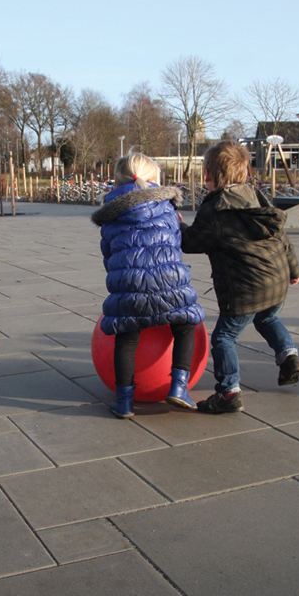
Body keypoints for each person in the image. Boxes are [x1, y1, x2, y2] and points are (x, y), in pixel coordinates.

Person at [180, 139, 299, 414]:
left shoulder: (215, 210)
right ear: (245, 174)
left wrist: (179, 227)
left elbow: (191, 242)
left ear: (209, 176)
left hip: (245, 288)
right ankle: (289, 356)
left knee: (224, 337)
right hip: (277, 280)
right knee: (268, 316)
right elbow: (280, 234)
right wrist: (293, 270)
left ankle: (228, 392)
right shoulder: (257, 196)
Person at [92, 149, 205, 419]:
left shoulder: (110, 217)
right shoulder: (167, 208)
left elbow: (109, 257)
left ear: (119, 181)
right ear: (154, 179)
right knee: (186, 324)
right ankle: (178, 387)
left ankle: (124, 402)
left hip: (129, 285)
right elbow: (175, 246)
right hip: (169, 282)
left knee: (126, 338)